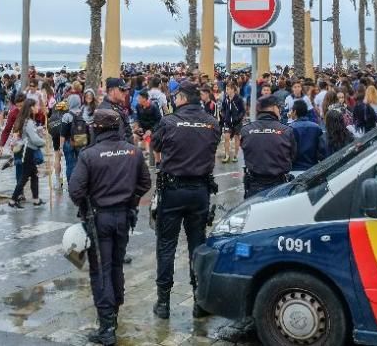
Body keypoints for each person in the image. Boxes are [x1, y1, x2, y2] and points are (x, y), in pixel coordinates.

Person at [68, 108, 151, 345]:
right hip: (123, 217)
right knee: (116, 266)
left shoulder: (89, 155)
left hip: (99, 218)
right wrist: (131, 200)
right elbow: (145, 182)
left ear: (97, 128)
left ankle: (106, 327)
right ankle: (113, 315)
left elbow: (75, 190)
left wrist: (88, 204)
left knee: (101, 270)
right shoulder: (133, 152)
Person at [151, 81, 220, 320]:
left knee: (166, 245)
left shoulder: (169, 121)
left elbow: (156, 146)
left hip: (173, 189)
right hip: (200, 190)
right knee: (197, 246)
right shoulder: (212, 123)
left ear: (181, 98)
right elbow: (213, 148)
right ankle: (199, 301)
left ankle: (163, 302)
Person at [240, 94, 297, 197]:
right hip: (278, 186)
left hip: (254, 186)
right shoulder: (287, 131)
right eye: (278, 107)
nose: (280, 110)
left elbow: (246, 152)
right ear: (273, 108)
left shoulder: (246, 130)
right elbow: (292, 156)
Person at [8, 98, 47, 208]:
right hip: (29, 151)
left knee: (34, 175)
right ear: (31, 108)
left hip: (26, 150)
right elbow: (34, 139)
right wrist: (43, 142)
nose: (37, 108)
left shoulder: (24, 120)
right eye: (36, 106)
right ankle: (12, 200)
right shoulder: (28, 122)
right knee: (24, 177)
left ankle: (36, 199)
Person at [288, 99, 327, 171]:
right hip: (313, 168)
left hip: (295, 168)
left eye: (291, 110)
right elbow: (322, 150)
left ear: (295, 112)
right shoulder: (316, 127)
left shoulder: (290, 128)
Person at [97, 78, 133, 143]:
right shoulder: (107, 112)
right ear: (111, 91)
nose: (126, 92)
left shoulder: (116, 106)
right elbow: (113, 142)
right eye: (122, 90)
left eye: (126, 90)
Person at [218, 82, 246, 163]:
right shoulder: (226, 99)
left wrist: (238, 118)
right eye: (226, 89)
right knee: (226, 137)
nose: (226, 91)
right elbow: (223, 108)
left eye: (228, 89)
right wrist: (223, 115)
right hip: (227, 122)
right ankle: (226, 155)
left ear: (233, 90)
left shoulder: (239, 99)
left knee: (237, 139)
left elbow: (243, 111)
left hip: (237, 122)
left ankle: (235, 155)